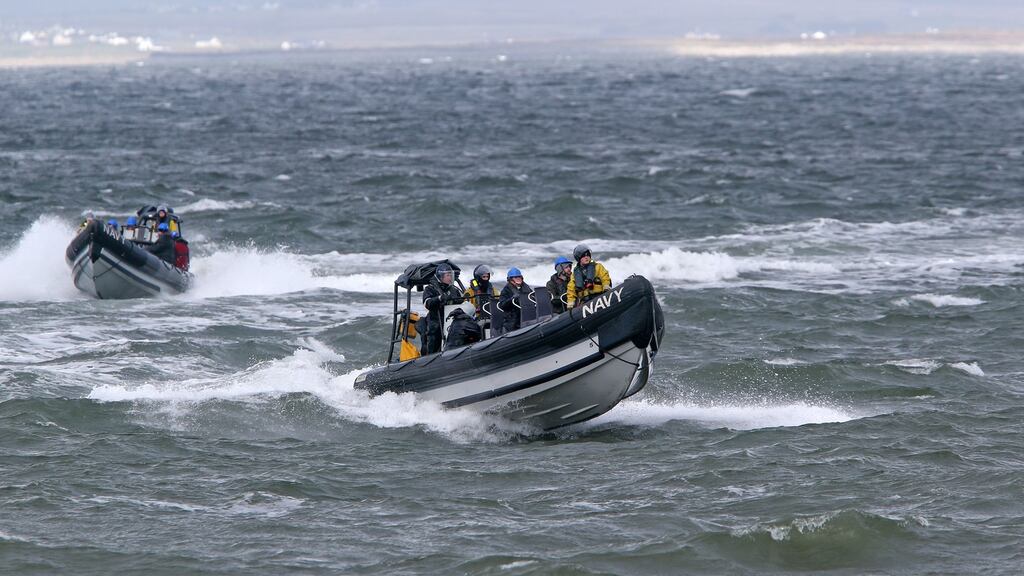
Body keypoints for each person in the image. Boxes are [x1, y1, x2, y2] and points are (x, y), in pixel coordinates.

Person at [422, 263, 464, 355]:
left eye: (451, 275)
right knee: (434, 335)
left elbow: (463, 303)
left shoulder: (454, 289)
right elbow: (427, 303)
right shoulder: (430, 289)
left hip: (452, 321)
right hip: (436, 321)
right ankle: (430, 357)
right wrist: (439, 298)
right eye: (447, 275)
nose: (450, 278)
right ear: (440, 277)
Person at [566, 244, 611, 308]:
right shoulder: (575, 274)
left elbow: (605, 277)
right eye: (583, 256)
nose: (586, 257)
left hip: (599, 295)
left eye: (588, 255)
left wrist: (606, 286)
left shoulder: (598, 267)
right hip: (585, 301)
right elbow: (571, 288)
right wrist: (570, 301)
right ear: (579, 259)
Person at [498, 267, 533, 333]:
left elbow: (532, 296)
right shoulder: (506, 290)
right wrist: (512, 299)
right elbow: (501, 305)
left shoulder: (526, 287)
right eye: (516, 278)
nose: (518, 279)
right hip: (512, 320)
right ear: (510, 280)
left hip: (527, 316)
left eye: (519, 277)